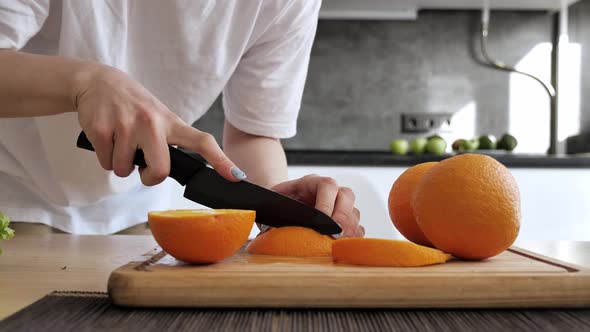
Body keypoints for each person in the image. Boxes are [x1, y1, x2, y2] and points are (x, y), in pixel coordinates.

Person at [0, 1, 364, 237]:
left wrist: (274, 206)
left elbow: (253, 134)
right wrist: (86, 82)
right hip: (12, 197)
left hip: (141, 210)